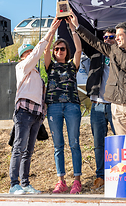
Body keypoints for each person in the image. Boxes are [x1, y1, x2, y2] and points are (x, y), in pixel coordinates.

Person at [69, 11, 126, 135]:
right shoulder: (113, 50)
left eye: (119, 35)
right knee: (122, 144)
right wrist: (77, 26)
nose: (116, 38)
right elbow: (94, 41)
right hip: (116, 106)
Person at [9, 20, 58, 195]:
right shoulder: (22, 66)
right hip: (23, 112)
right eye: (27, 53)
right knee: (19, 147)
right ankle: (14, 184)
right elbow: (39, 51)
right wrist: (50, 31)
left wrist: (42, 112)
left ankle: (25, 183)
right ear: (23, 56)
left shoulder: (36, 75)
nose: (31, 55)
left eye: (31, 52)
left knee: (28, 151)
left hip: (36, 114)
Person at [44, 17, 82, 194]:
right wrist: (53, 30)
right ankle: (61, 181)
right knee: (58, 145)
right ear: (53, 51)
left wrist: (72, 28)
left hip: (72, 106)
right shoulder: (49, 66)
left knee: (74, 143)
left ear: (67, 51)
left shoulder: (72, 66)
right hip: (54, 108)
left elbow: (79, 49)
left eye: (63, 48)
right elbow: (45, 49)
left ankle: (77, 180)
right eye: (57, 48)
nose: (59, 50)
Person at [76, 27, 116, 190]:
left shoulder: (119, 54)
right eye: (105, 37)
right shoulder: (96, 53)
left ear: (117, 38)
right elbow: (86, 41)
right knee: (98, 144)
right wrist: (74, 27)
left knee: (119, 140)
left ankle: (120, 174)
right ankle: (100, 176)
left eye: (111, 36)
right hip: (97, 104)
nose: (107, 39)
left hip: (115, 105)